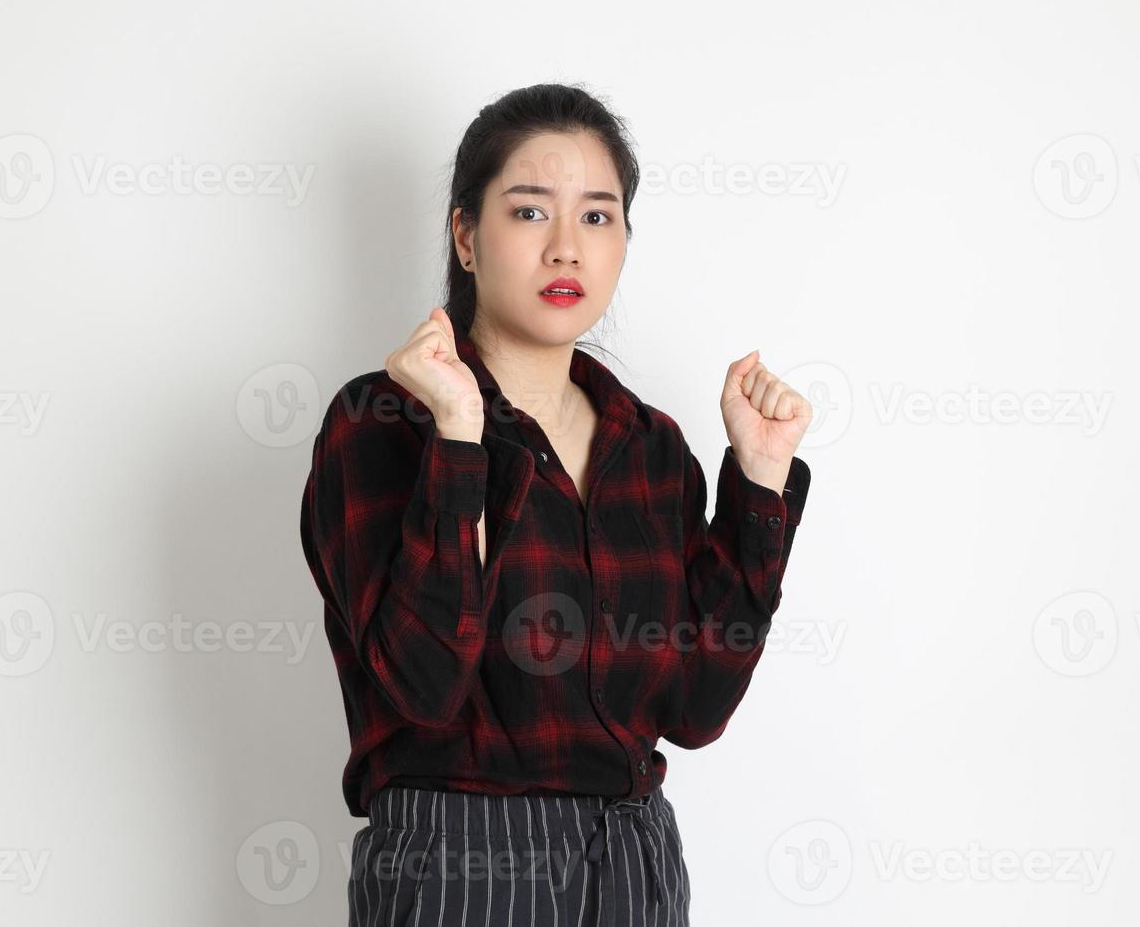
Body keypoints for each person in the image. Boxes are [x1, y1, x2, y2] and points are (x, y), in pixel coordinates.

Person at [299, 82, 814, 926]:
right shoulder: (382, 423)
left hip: (636, 860)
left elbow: (694, 711)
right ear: (466, 236)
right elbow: (422, 682)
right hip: (459, 864)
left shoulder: (649, 449)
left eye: (599, 217)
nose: (567, 249)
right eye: (532, 213)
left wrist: (756, 486)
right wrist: (460, 437)